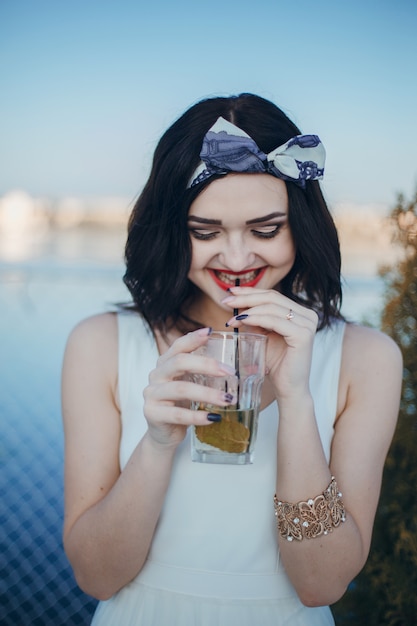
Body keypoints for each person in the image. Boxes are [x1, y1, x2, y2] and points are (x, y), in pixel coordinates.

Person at [61, 93, 402, 625]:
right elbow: (97, 577)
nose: (238, 260)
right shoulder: (99, 344)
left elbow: (322, 584)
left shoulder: (368, 360)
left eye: (267, 230)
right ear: (172, 231)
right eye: (205, 233)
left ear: (302, 227)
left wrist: (295, 398)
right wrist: (157, 443)